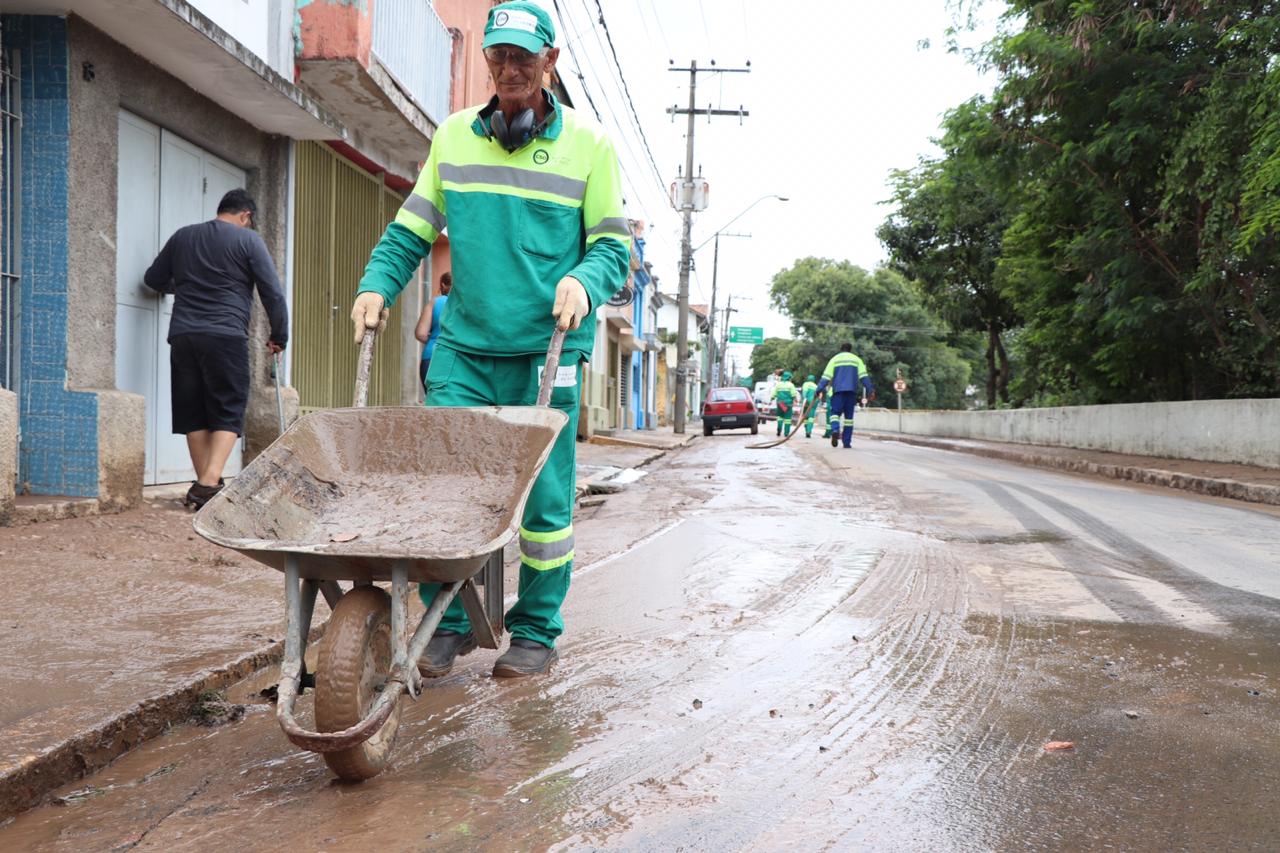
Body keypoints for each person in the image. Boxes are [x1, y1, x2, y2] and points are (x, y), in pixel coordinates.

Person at [349, 1, 629, 678]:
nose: (508, 69)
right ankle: (448, 621)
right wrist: (375, 285)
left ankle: (535, 629)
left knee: (544, 502)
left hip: (548, 350)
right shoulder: (453, 139)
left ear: (550, 65)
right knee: (443, 485)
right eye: (498, 56)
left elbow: (614, 250)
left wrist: (585, 281)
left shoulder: (589, 148)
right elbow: (411, 232)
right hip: (466, 351)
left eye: (523, 59)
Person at [144, 189, 288, 509]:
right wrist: (280, 335)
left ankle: (205, 490)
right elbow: (272, 293)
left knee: (193, 412)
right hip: (225, 336)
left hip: (183, 336)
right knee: (228, 408)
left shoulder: (183, 237)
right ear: (246, 216)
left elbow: (153, 279)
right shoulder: (248, 241)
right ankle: (208, 483)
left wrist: (181, 285)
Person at [815, 343, 874, 448]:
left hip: (838, 392)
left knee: (834, 414)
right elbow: (864, 377)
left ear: (840, 349)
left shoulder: (834, 359)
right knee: (849, 419)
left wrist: (818, 389)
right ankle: (846, 443)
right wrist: (870, 390)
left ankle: (835, 429)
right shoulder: (857, 360)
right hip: (851, 392)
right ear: (850, 350)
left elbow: (826, 377)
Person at [414, 271, 452, 390]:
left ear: (443, 285)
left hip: (431, 357)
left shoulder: (435, 302)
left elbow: (420, 334)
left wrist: (434, 339)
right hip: (457, 361)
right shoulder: (466, 304)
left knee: (434, 404)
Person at [771, 371, 799, 437]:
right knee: (787, 419)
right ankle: (786, 433)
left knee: (780, 417)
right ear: (789, 378)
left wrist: (772, 398)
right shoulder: (791, 385)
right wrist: (796, 401)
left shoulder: (778, 384)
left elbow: (773, 394)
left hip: (780, 403)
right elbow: (793, 395)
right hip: (788, 404)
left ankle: (779, 428)